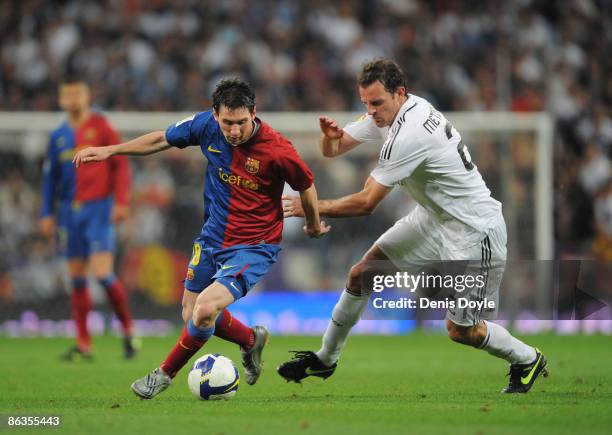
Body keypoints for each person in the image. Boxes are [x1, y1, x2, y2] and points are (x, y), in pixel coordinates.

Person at [277, 59, 548, 394]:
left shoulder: (411, 133)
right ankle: (325, 358)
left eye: (376, 103)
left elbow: (366, 203)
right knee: (362, 274)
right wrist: (328, 139)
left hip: (474, 230)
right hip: (434, 218)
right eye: (365, 104)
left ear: (399, 93)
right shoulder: (389, 113)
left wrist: (312, 208)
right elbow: (335, 148)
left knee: (462, 330)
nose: (371, 111)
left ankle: (527, 358)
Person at [73, 78, 330, 399]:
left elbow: (306, 185)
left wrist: (313, 223)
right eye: (227, 123)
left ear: (254, 113)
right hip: (212, 237)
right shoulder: (205, 126)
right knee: (191, 312)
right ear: (215, 114)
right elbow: (160, 140)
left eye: (241, 123)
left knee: (205, 309)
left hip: (254, 245)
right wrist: (112, 150)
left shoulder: (277, 150)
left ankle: (164, 374)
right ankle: (250, 341)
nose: (234, 131)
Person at [40, 78, 136, 361]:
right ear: (60, 99)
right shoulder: (57, 135)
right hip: (69, 212)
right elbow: (50, 179)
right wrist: (47, 212)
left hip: (98, 208)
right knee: (77, 276)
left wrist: (121, 201)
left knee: (102, 273)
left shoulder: (102, 126)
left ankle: (129, 330)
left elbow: (120, 164)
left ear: (86, 96)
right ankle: (84, 343)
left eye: (76, 94)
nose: (72, 99)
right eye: (66, 94)